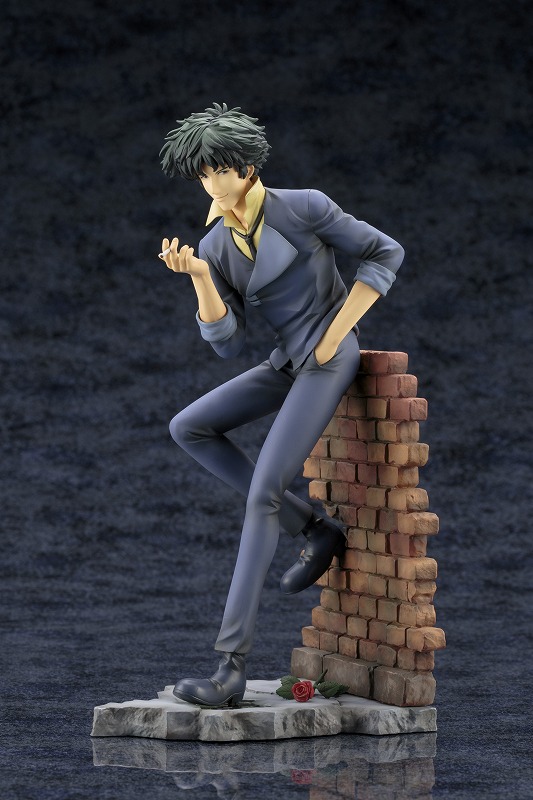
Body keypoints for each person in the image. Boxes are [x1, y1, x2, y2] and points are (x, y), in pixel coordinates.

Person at [158, 102, 404, 707]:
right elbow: (226, 342)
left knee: (263, 492)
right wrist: (200, 277)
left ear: (246, 168)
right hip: (286, 361)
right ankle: (315, 527)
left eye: (218, 170)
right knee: (189, 427)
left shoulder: (303, 207)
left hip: (330, 356)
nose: (210, 184)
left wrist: (336, 333)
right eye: (202, 174)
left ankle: (230, 667)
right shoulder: (216, 243)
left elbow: (385, 252)